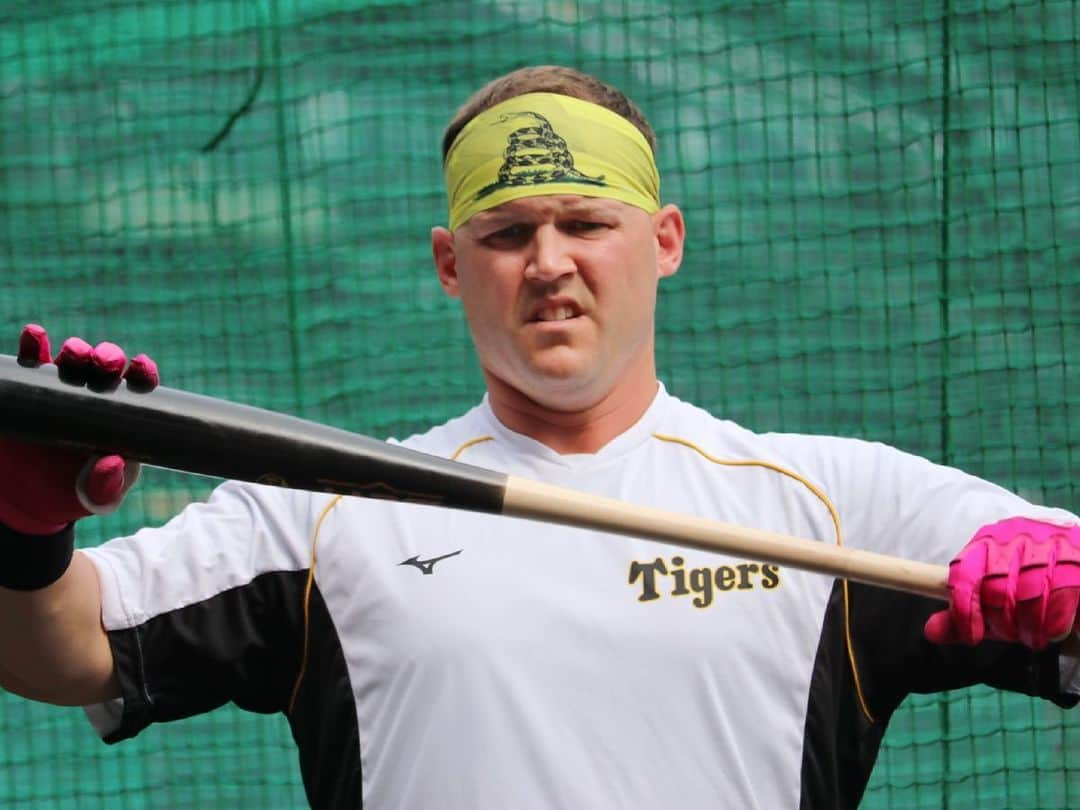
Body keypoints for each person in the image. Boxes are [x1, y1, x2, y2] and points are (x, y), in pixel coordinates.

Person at [0, 65, 1077, 810]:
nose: (549, 262)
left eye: (586, 223)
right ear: (448, 264)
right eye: (506, 233)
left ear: (663, 242)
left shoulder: (843, 501)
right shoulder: (326, 510)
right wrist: (24, 522)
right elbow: (61, 650)